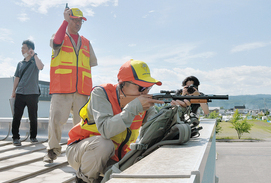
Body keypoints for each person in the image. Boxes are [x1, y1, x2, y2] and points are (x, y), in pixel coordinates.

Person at [66, 59, 191, 183]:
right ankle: (83, 180)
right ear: (122, 84)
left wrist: (175, 111)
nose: (146, 92)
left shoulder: (143, 105)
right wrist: (133, 107)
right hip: (81, 151)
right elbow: (106, 130)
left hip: (114, 156)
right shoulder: (101, 93)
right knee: (104, 144)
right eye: (141, 87)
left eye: (148, 87)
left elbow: (156, 129)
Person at [43, 7, 98, 163]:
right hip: (62, 88)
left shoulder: (86, 42)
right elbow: (56, 43)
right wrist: (64, 21)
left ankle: (79, 152)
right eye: (74, 19)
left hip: (81, 90)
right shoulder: (59, 36)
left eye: (80, 20)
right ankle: (52, 151)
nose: (78, 23)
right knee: (56, 121)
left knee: (82, 124)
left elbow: (91, 63)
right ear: (68, 19)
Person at [11, 40, 44, 146]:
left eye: (24, 48)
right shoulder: (20, 64)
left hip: (32, 94)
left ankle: (33, 137)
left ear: (30, 49)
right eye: (21, 48)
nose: (21, 50)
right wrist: (13, 91)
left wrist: (34, 55)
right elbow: (17, 77)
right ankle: (15, 138)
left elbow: (41, 67)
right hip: (20, 92)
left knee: (33, 117)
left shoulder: (35, 62)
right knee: (17, 116)